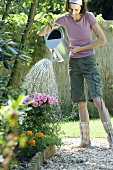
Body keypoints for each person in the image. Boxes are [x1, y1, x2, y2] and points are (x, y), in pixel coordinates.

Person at [38, 0, 113, 149]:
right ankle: (85, 140)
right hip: (74, 63)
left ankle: (111, 138)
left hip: (89, 61)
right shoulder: (65, 19)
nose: (73, 13)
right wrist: (49, 25)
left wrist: (81, 48)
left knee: (97, 99)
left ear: (82, 7)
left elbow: (102, 40)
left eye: (76, 10)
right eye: (71, 9)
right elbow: (41, 34)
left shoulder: (89, 17)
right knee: (80, 102)